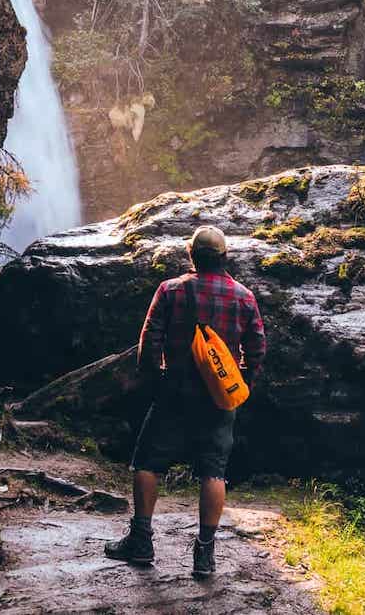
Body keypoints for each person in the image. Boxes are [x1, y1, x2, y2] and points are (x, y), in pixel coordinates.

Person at [105, 225, 266, 577]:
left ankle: (142, 542)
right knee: (214, 471)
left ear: (191, 255)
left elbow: (150, 342)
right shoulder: (244, 297)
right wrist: (239, 386)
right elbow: (256, 350)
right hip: (219, 398)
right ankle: (205, 555)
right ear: (225, 257)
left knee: (148, 462)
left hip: (174, 391)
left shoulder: (170, 290)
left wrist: (156, 378)